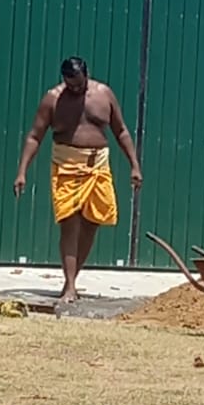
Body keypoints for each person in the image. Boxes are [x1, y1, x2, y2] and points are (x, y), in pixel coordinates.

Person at [13, 56, 142, 303]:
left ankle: (74, 276)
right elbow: (34, 136)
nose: (75, 89)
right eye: (70, 84)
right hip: (66, 166)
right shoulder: (52, 99)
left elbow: (121, 131)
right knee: (69, 223)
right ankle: (70, 285)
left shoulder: (104, 94)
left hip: (98, 166)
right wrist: (22, 171)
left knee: (92, 222)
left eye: (79, 84)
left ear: (87, 75)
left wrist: (134, 165)